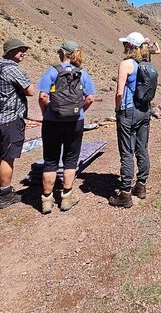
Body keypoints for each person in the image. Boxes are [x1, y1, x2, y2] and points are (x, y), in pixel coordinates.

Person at [37, 40, 96, 214]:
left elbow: (42, 96)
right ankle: (66, 198)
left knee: (50, 160)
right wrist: (80, 111)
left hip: (52, 121)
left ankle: (46, 201)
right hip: (75, 122)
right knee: (71, 159)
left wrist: (46, 112)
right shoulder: (82, 73)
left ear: (62, 53)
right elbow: (90, 98)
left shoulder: (52, 71)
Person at [0, 38, 35, 209]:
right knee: (8, 158)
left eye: (23, 49)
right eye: (19, 50)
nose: (23, 53)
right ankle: (6, 194)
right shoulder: (12, 69)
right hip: (10, 119)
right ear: (9, 52)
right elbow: (30, 90)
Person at [109, 31, 153, 208]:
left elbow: (119, 92)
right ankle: (141, 186)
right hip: (145, 111)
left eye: (125, 44)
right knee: (142, 147)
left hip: (128, 111)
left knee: (127, 151)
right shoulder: (147, 64)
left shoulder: (126, 64)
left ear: (131, 46)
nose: (123, 47)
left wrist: (117, 109)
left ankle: (125, 194)